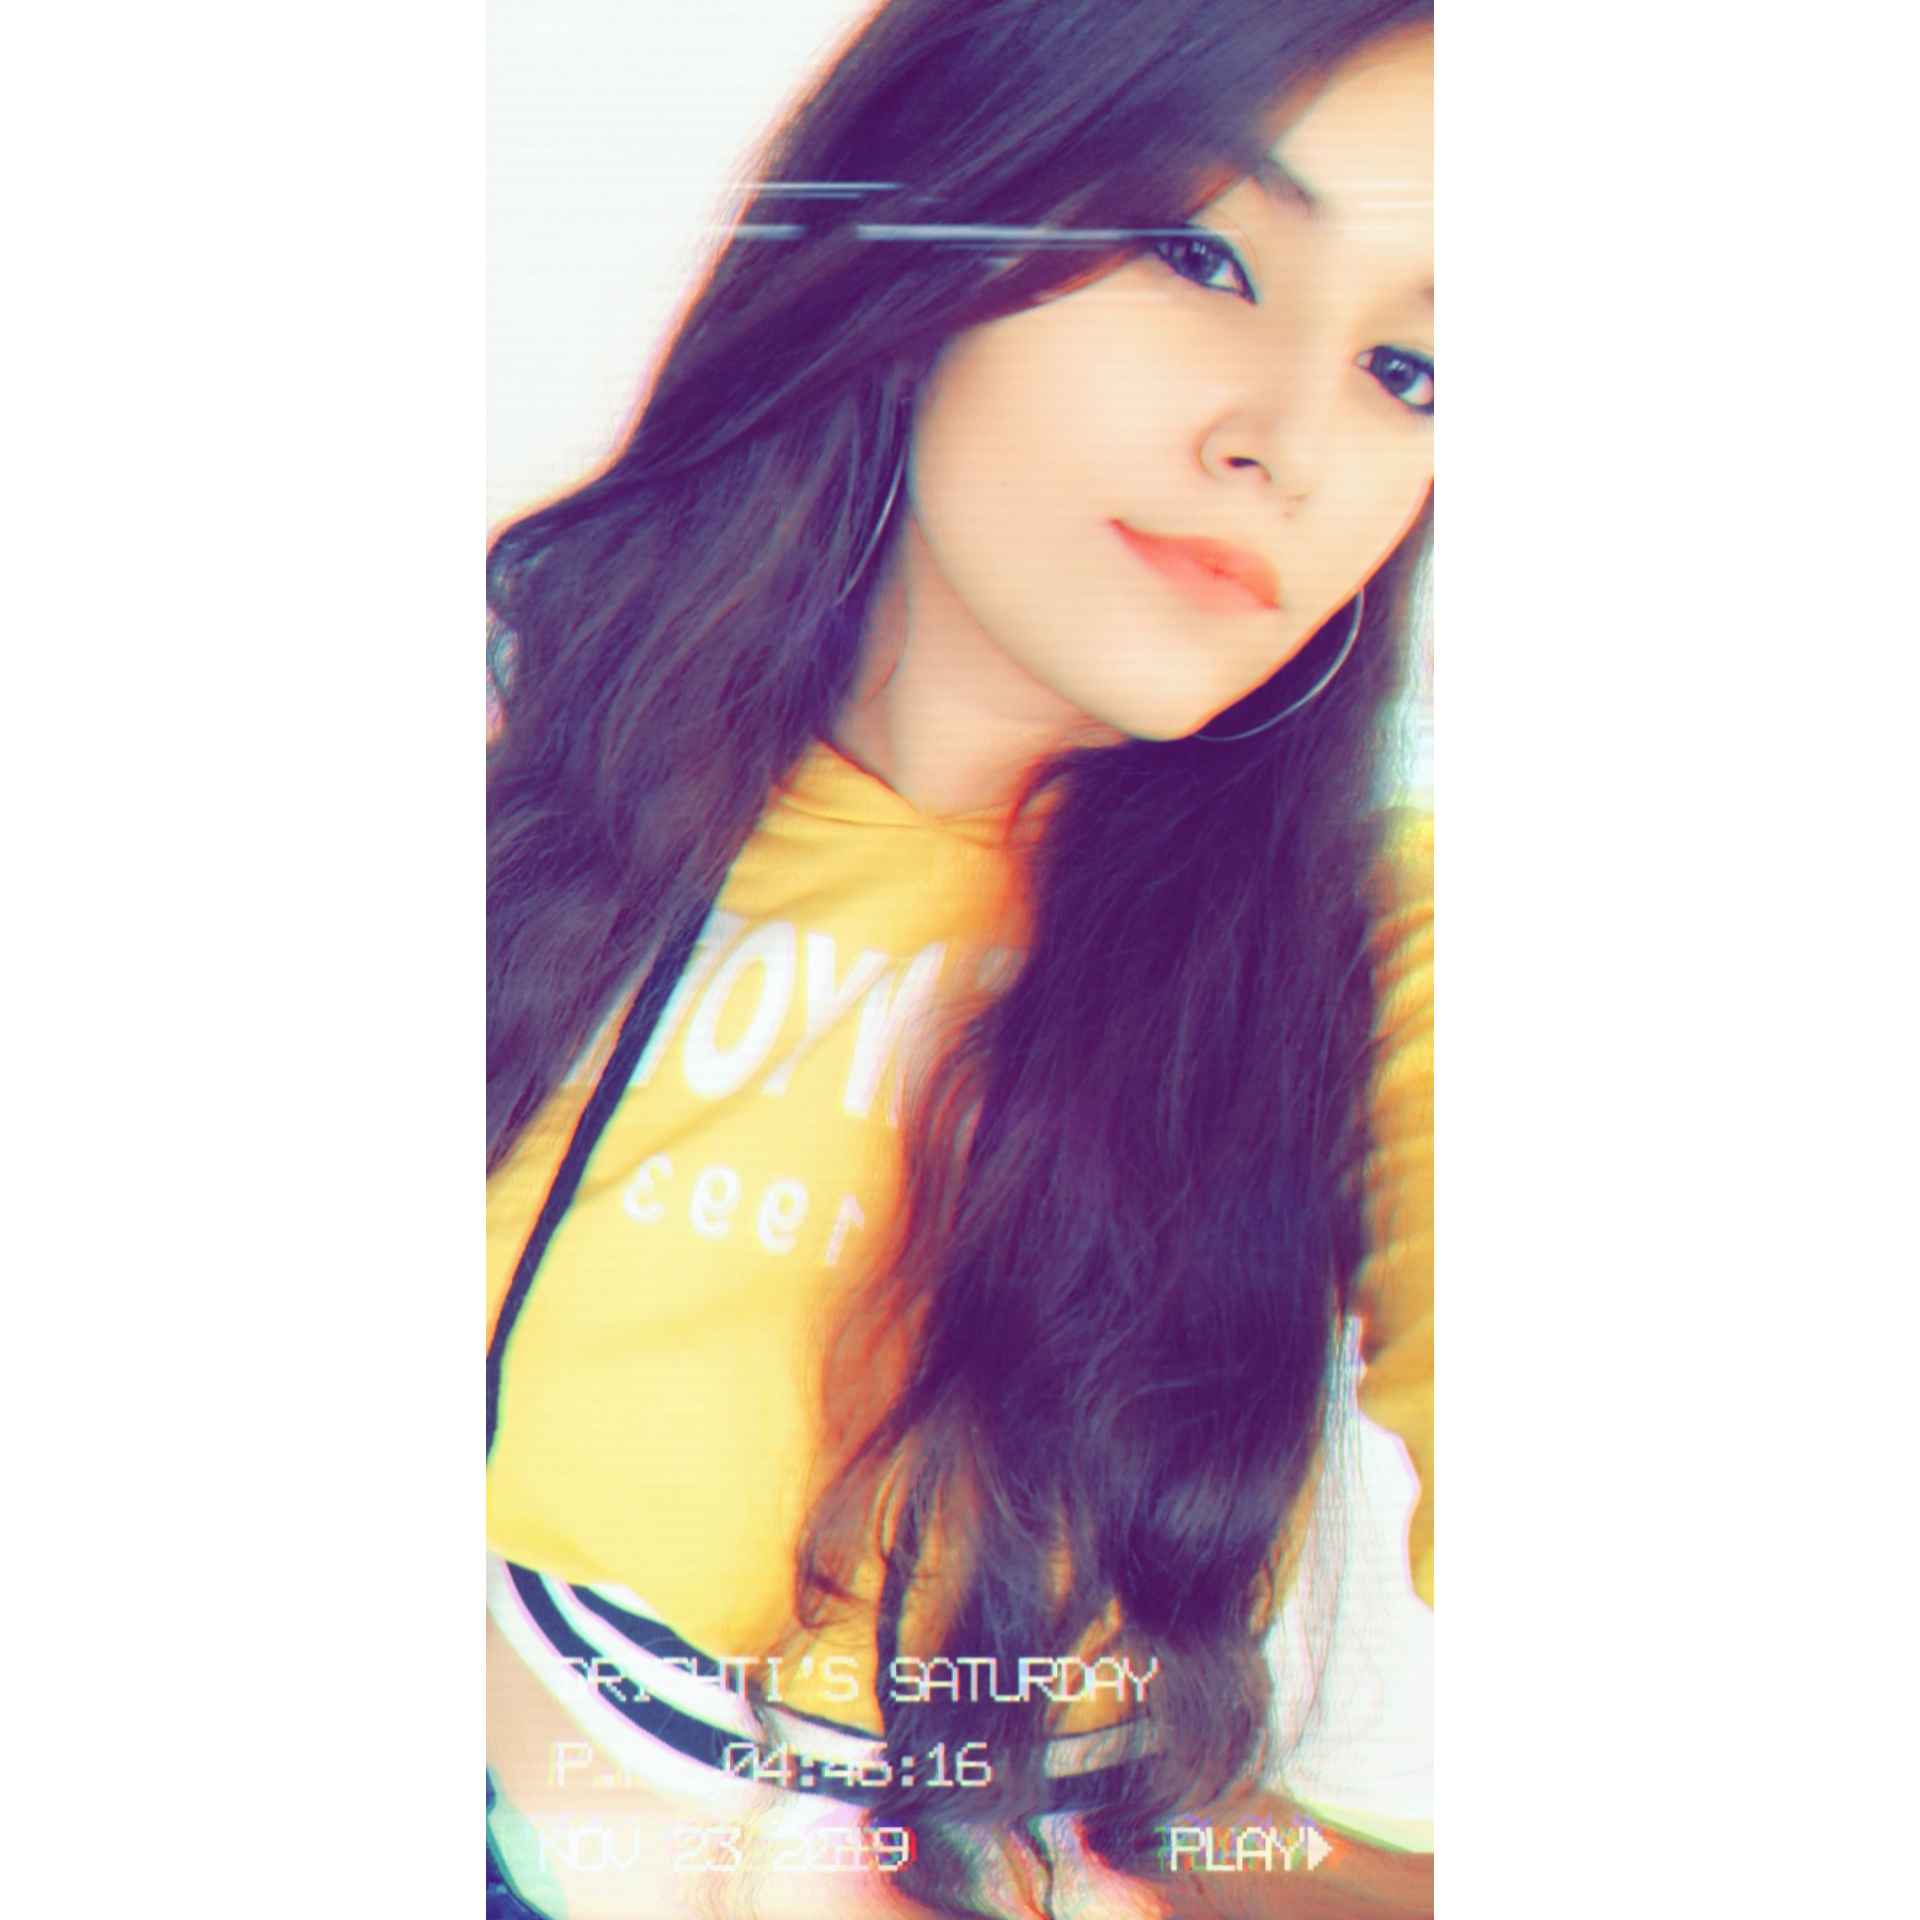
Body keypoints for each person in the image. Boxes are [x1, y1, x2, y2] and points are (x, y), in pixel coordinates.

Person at [485, 0, 1434, 1913]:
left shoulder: (1379, 949)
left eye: (1413, 368)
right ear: (932, 218)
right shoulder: (493, 803)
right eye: (1198, 257)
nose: (1291, 441)